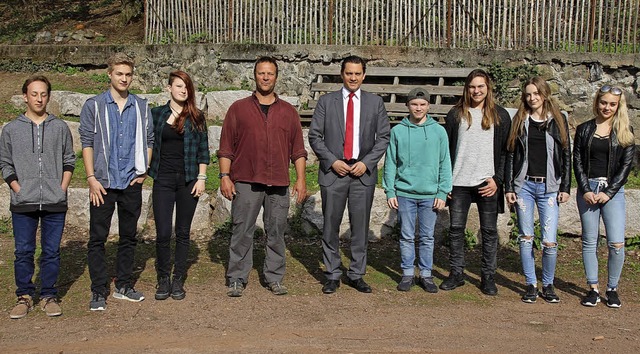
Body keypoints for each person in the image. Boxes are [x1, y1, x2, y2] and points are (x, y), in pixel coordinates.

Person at [218, 56, 307, 297]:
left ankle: (274, 277)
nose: (265, 77)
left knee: (276, 230)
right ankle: (237, 276)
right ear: (254, 75)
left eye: (270, 73)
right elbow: (226, 146)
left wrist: (301, 180)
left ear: (276, 77)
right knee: (242, 229)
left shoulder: (288, 112)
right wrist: (225, 176)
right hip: (247, 178)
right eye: (261, 73)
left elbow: (298, 150)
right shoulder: (239, 109)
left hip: (278, 181)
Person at [308, 55, 390, 294]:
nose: (353, 78)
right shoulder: (326, 102)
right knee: (330, 226)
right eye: (349, 73)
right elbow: (315, 136)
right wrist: (332, 161)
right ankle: (332, 273)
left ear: (364, 75)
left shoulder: (375, 103)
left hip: (361, 174)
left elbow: (383, 137)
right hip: (335, 173)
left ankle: (356, 273)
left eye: (357, 73)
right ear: (341, 74)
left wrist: (367, 163)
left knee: (360, 227)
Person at [79, 52, 154, 311]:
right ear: (109, 74)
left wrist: (143, 171)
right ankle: (99, 290)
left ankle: (123, 285)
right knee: (97, 238)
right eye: (119, 74)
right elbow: (87, 142)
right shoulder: (94, 106)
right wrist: (90, 178)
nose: (124, 78)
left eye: (128, 74)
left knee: (128, 237)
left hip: (130, 182)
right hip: (102, 183)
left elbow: (149, 141)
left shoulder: (141, 106)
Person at [1, 76, 75, 319]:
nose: (39, 98)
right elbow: (5, 163)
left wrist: (61, 187)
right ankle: (24, 296)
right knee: (23, 251)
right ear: (25, 96)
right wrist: (17, 188)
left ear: (48, 96)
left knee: (51, 251)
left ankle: (48, 295)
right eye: (34, 94)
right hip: (23, 202)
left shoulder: (60, 127)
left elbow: (68, 160)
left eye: (43, 94)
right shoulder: (11, 129)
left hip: (55, 200)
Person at [440, 69, 511, 296]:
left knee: (489, 231)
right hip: (459, 181)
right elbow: (445, 151)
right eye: (472, 87)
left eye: (480, 86)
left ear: (488, 88)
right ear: (466, 88)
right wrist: (445, 182)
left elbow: (506, 153)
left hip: (486, 182)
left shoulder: (500, 115)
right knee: (456, 229)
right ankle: (456, 273)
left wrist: (498, 180)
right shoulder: (456, 114)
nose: (476, 91)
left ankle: (488, 277)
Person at [505, 77, 571, 303]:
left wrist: (565, 186)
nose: (532, 98)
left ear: (545, 94)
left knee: (550, 241)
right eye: (528, 94)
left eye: (536, 94)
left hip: (549, 187)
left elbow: (566, 154)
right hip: (524, 186)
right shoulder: (520, 119)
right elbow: (511, 154)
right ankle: (531, 284)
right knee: (525, 237)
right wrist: (509, 186)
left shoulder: (558, 120)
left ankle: (549, 284)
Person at [382, 88, 452, 293]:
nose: (418, 108)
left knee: (427, 236)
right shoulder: (398, 131)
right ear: (408, 106)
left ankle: (427, 274)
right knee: (406, 235)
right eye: (414, 104)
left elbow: (444, 163)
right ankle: (407, 273)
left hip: (430, 194)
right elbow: (391, 163)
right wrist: (390, 191)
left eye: (422, 104)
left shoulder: (439, 132)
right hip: (405, 193)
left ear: (428, 106)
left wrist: (442, 192)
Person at [148, 70, 209, 301]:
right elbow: (149, 143)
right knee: (163, 232)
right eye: (178, 86)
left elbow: (203, 149)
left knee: (183, 232)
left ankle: (178, 279)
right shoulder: (156, 115)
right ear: (169, 88)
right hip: (162, 179)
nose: (183, 90)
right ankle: (163, 277)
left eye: (186, 87)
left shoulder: (197, 116)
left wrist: (202, 178)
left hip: (188, 180)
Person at [574, 85, 634, 308]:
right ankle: (593, 289)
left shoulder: (626, 131)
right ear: (596, 102)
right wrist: (585, 189)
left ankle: (612, 288)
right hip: (587, 190)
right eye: (603, 102)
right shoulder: (584, 129)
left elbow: (625, 167)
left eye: (612, 104)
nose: (606, 107)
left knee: (617, 243)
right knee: (589, 241)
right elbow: (577, 162)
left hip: (613, 192)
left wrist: (608, 193)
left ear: (618, 106)